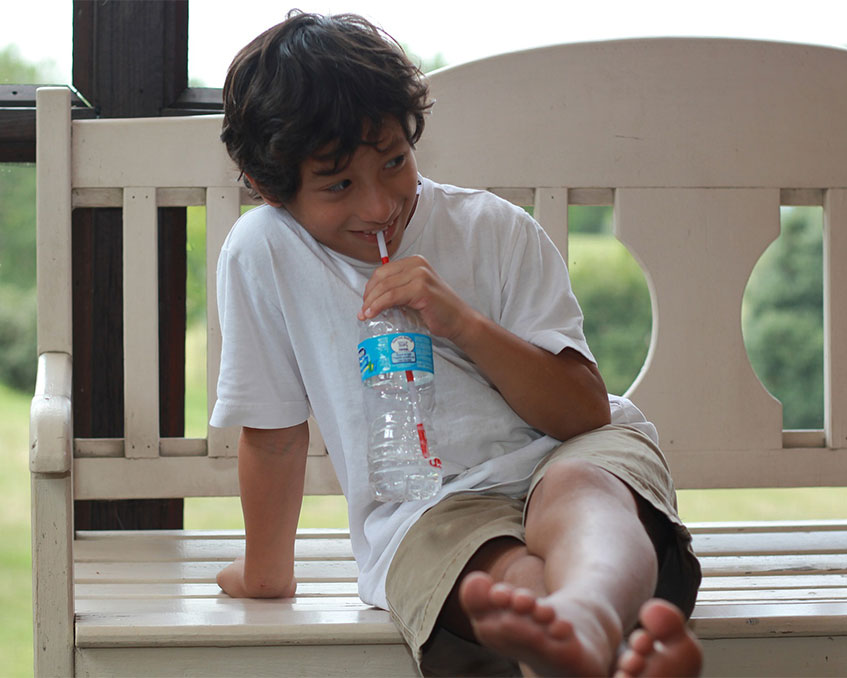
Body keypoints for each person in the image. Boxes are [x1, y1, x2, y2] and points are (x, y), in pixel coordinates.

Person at [211, 11, 702, 677]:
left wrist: (462, 322)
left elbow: (582, 412)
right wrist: (267, 574)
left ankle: (586, 613)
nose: (381, 205)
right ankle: (569, 641)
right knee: (469, 559)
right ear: (271, 191)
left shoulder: (494, 231)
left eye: (394, 162)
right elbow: (273, 435)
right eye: (339, 186)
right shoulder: (267, 252)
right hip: (432, 502)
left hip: (570, 451)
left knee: (585, 491)